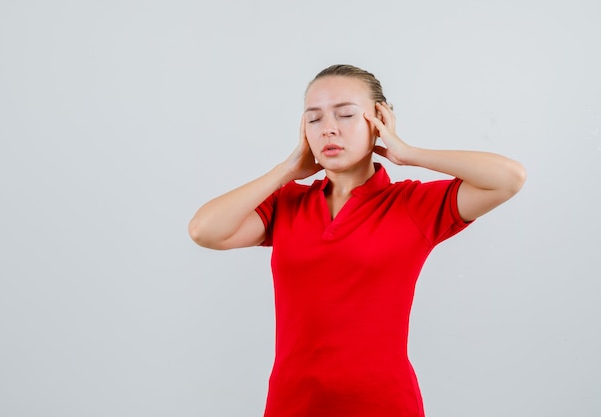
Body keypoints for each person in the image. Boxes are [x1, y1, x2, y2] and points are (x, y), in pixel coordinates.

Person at [188, 64, 526, 417]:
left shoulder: (412, 205)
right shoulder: (286, 203)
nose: (329, 128)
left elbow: (509, 179)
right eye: (314, 119)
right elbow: (204, 230)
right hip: (292, 403)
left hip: (384, 404)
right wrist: (288, 168)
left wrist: (409, 154)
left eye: (346, 114)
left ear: (379, 119)